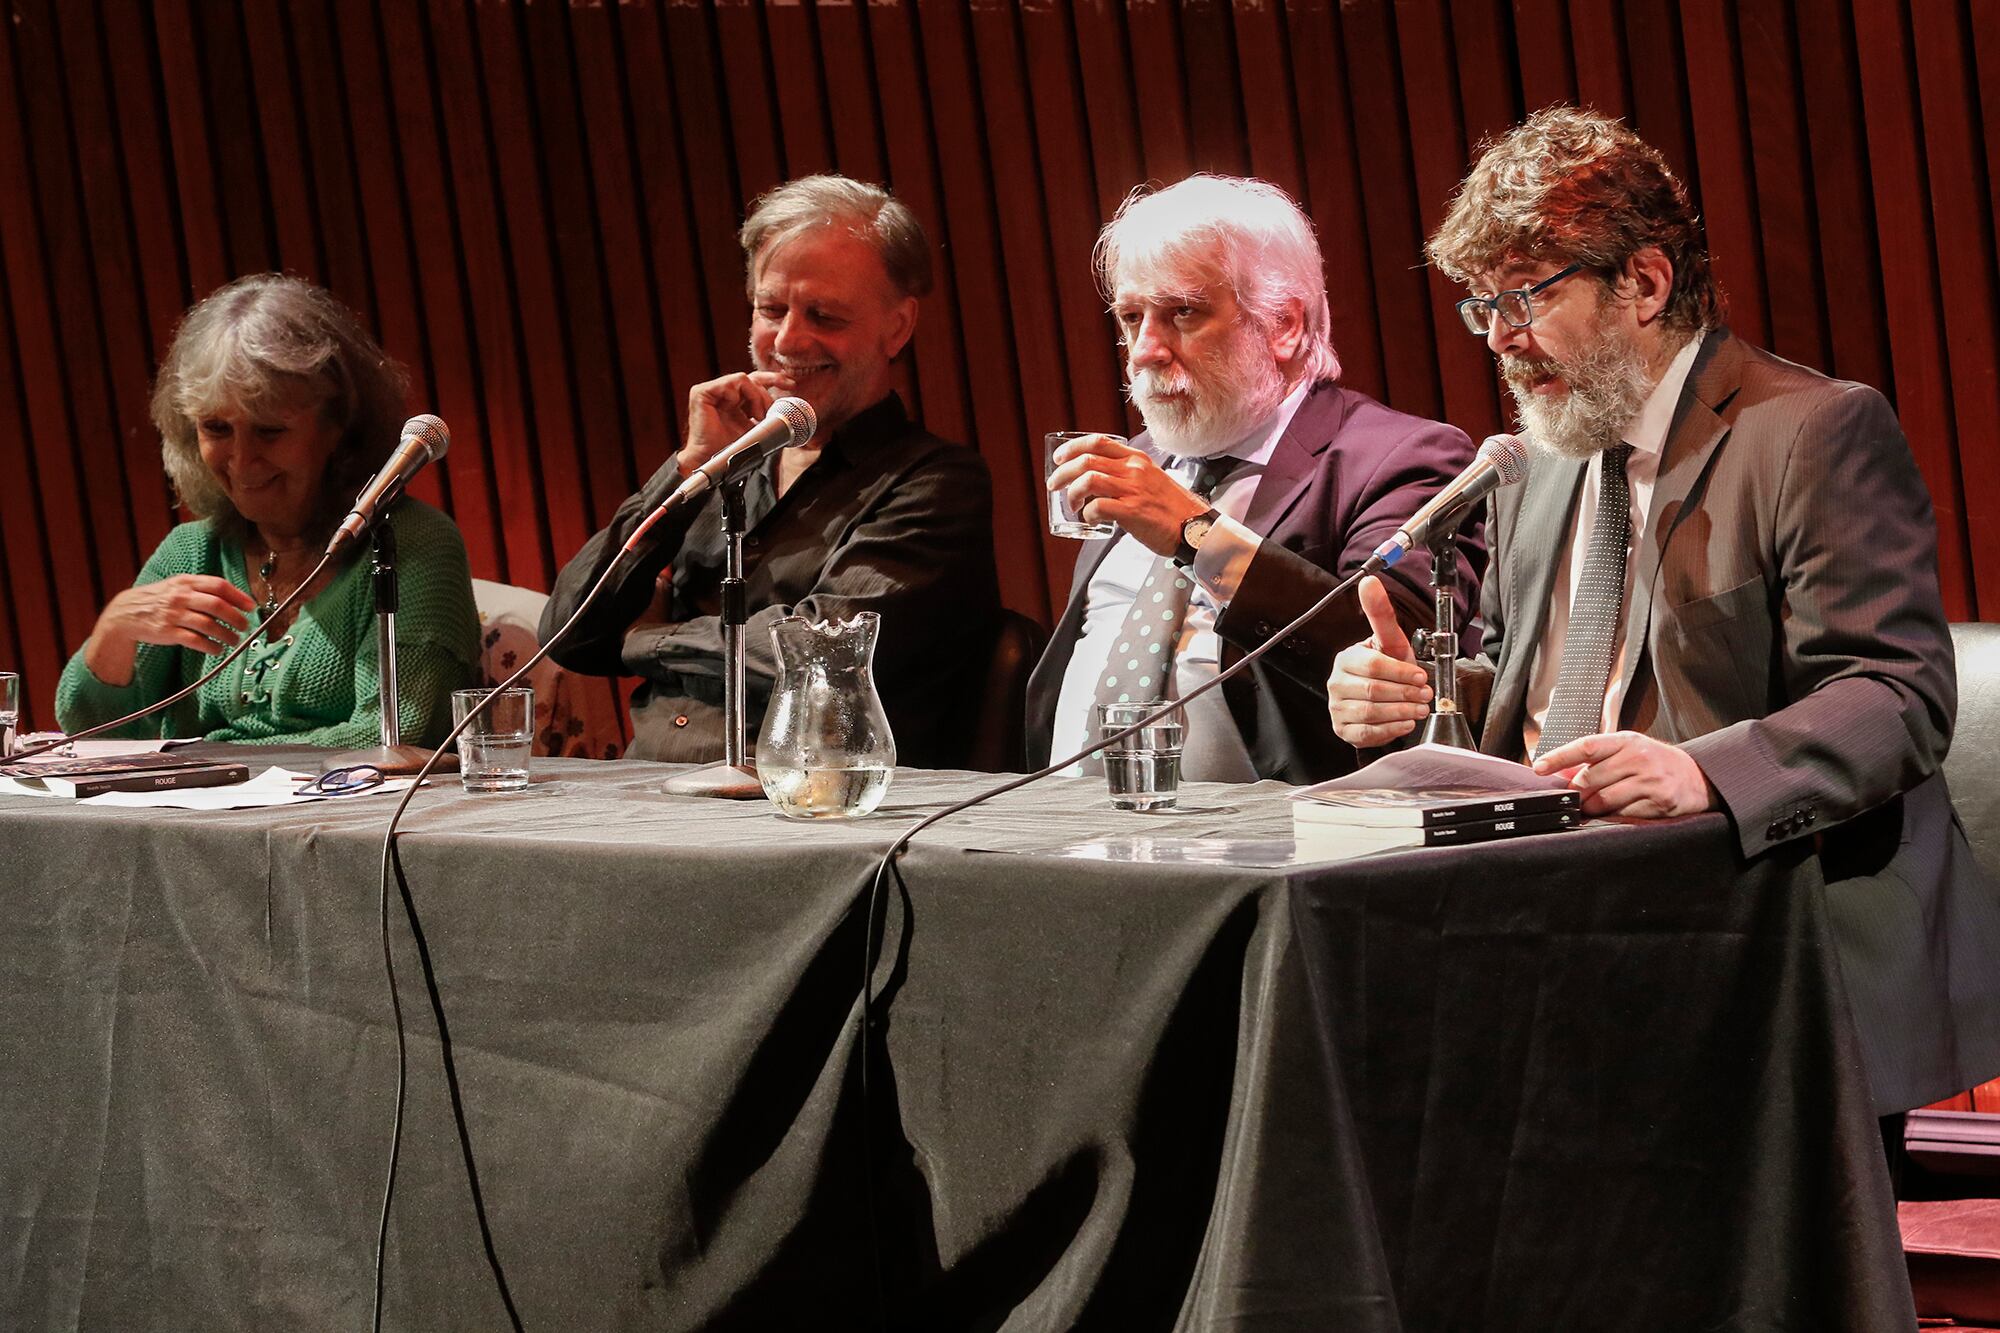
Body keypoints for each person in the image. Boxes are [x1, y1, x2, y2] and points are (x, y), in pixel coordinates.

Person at [1326, 107, 2000, 1115]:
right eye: (1481, 305)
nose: (1500, 337)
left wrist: (1700, 771)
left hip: (1761, 929)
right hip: (1555, 920)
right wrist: (1424, 695)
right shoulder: (1537, 460)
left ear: (1641, 283)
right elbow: (1540, 685)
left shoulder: (1810, 432)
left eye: (1526, 297)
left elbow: (1894, 694)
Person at [1024, 174, 1483, 785]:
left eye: (1182, 313)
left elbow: (1398, 655)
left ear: (1284, 326)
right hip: (1057, 828)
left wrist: (1198, 538)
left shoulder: (1400, 457)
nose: (1143, 351)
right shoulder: (1135, 466)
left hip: (1272, 844)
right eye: (1132, 317)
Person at [541, 175, 998, 766]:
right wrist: (689, 466)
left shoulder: (937, 484)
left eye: (824, 316)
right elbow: (570, 632)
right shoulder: (718, 467)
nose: (786, 339)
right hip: (645, 792)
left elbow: (822, 653)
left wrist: (645, 639)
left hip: (808, 811)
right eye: (770, 308)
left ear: (897, 327)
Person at [56, 274, 480, 747]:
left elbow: (396, 738)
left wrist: (203, 760)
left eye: (269, 431)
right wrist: (114, 631)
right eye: (216, 428)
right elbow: (90, 733)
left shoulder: (415, 544)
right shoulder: (191, 551)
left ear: (336, 425)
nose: (240, 460)